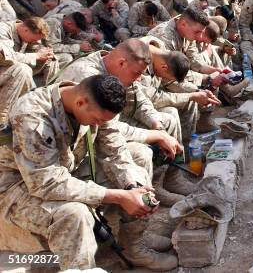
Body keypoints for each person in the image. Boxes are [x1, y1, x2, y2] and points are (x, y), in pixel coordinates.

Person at [0, 74, 179, 271]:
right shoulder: (32, 116)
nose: (97, 125)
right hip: (18, 187)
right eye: (96, 120)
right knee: (75, 213)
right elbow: (46, 183)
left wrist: (133, 186)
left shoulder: (96, 103)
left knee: (137, 159)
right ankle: (81, 267)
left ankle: (133, 247)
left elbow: (115, 150)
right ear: (80, 102)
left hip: (67, 171)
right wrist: (117, 197)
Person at [0, 17, 56, 126]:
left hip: (6, 72)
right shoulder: (3, 30)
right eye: (34, 40)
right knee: (22, 70)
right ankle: (2, 117)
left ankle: (40, 105)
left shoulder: (24, 34)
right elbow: (5, 57)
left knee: (52, 62)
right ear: (25, 30)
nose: (35, 42)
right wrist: (36, 55)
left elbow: (30, 59)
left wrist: (44, 58)